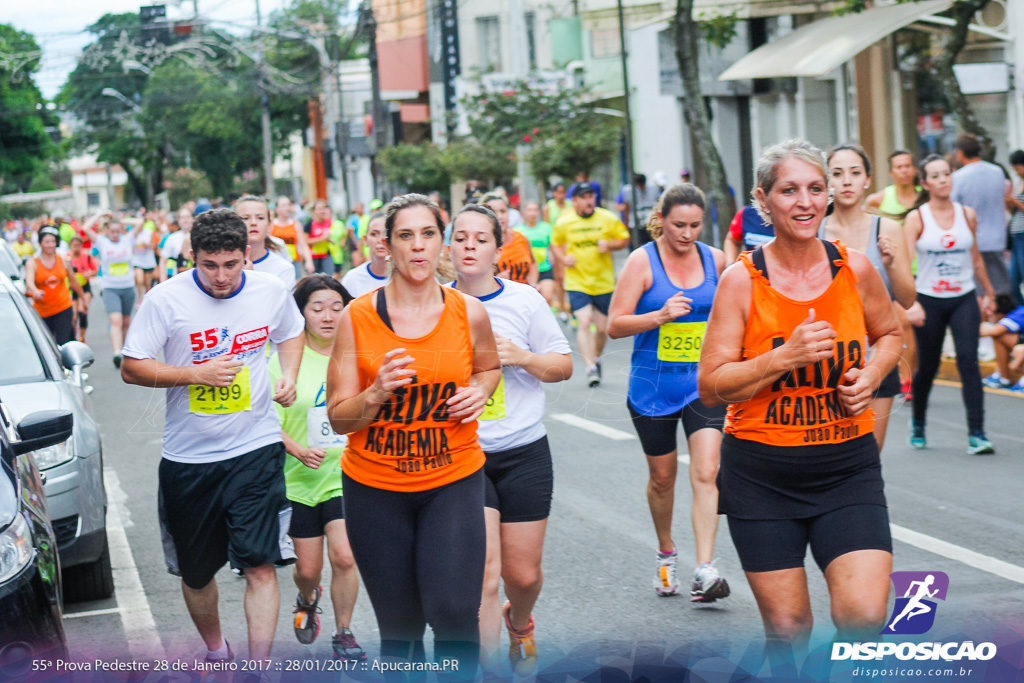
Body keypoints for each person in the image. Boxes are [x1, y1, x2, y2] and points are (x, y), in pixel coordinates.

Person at [698, 139, 902, 672]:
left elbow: (890, 334)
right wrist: (782, 358)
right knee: (789, 630)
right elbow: (712, 385)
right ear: (763, 200)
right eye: (789, 191)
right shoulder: (742, 281)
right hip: (762, 477)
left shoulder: (854, 269)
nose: (805, 201)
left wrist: (873, 376)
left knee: (863, 615)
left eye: (816, 188)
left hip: (847, 468)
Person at [120, 208, 305, 668]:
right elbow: (131, 366)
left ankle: (257, 670)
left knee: (260, 564)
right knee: (197, 573)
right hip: (190, 458)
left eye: (231, 264)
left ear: (247, 254)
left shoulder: (270, 289)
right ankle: (218, 652)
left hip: (256, 447)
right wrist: (194, 373)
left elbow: (292, 331)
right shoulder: (165, 301)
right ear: (191, 257)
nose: (221, 277)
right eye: (209, 265)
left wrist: (291, 375)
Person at [326, 194, 500, 677]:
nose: (418, 247)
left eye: (428, 235)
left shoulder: (469, 313)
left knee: (453, 614)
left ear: (441, 243)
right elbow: (340, 417)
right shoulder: (356, 319)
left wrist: (480, 391)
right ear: (386, 245)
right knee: (400, 629)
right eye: (406, 235)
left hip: (453, 480)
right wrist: (377, 392)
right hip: (375, 490)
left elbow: (488, 368)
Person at [448, 204, 572, 675]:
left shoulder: (524, 301)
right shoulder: (438, 304)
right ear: (449, 247)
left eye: (481, 239)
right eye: (461, 238)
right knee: (484, 575)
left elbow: (562, 366)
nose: (470, 246)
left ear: (499, 249)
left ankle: (519, 620)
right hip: (463, 454)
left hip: (523, 452)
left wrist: (520, 356)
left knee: (523, 576)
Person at [607, 184, 730, 604]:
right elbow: (615, 324)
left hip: (703, 386)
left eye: (695, 225)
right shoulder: (643, 261)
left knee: (707, 471)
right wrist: (658, 315)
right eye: (679, 225)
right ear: (661, 219)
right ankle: (666, 551)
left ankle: (705, 568)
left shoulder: (715, 260)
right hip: (652, 389)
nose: (687, 234)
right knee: (663, 479)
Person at [267, 274, 366, 660]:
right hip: (298, 480)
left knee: (344, 556)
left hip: (347, 475)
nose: (328, 316)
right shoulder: (284, 361)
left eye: (337, 307)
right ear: (301, 313)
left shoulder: (358, 357)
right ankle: (308, 598)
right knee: (307, 570)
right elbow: (263, 422)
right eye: (317, 307)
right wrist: (295, 449)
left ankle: (344, 632)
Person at [821, 145, 916, 449]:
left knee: (868, 458)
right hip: (824, 359)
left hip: (876, 357)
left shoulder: (886, 229)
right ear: (827, 182)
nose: (846, 181)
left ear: (867, 180)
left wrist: (890, 265)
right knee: (827, 455)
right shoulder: (814, 230)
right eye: (837, 173)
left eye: (855, 173)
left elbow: (908, 298)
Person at [905, 154, 997, 455]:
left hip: (963, 297)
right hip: (929, 298)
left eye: (946, 174)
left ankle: (977, 433)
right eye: (936, 175)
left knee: (968, 360)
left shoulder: (967, 214)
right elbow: (905, 265)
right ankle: (918, 421)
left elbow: (976, 257)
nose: (943, 179)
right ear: (925, 183)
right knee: (928, 365)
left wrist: (989, 293)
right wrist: (909, 303)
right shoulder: (917, 218)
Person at [550, 182, 630, 387]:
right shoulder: (565, 221)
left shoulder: (607, 218)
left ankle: (596, 357)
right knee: (584, 321)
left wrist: (611, 245)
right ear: (574, 201)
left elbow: (624, 239)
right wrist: (562, 258)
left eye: (591, 196)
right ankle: (590, 367)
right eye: (584, 197)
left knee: (602, 329)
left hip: (603, 282)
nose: (589, 201)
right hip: (577, 281)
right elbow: (555, 242)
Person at [81, 212, 141, 367]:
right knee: (116, 320)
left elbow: (140, 222)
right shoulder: (102, 242)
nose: (114, 234)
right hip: (110, 287)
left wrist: (121, 219)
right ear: (107, 231)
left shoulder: (128, 240)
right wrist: (100, 214)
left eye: (117, 230)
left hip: (127, 286)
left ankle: (126, 351)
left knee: (126, 322)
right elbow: (85, 228)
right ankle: (116, 352)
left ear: (121, 230)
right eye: (111, 231)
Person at [24, 225, 84, 345]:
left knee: (64, 342)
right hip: (42, 311)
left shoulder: (63, 261)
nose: (50, 245)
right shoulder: (33, 263)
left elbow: (74, 281)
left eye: (52, 241)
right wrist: (35, 290)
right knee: (46, 344)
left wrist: (83, 299)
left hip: (63, 307)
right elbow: (29, 281)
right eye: (46, 241)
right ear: (41, 243)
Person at [236, 196, 296, 291]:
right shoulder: (222, 266)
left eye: (260, 218)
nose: (253, 223)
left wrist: (250, 278)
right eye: (246, 218)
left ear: (269, 224)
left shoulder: (283, 269)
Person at [483, 193, 538, 286]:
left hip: (523, 295)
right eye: (494, 213)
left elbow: (533, 263)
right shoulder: (482, 244)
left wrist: (533, 283)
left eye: (503, 211)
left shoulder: (521, 237)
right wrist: (496, 280)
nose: (500, 216)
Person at [517, 201, 558, 308]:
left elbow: (553, 246)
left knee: (547, 297)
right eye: (529, 210)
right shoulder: (517, 231)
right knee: (529, 301)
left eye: (535, 210)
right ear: (523, 212)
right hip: (526, 272)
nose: (532, 213)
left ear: (539, 213)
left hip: (545, 268)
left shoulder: (546, 228)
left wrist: (553, 256)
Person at [341, 211, 388, 298]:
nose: (380, 240)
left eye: (386, 234)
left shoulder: (405, 278)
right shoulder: (352, 279)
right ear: (365, 240)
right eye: (374, 234)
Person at [867, 150, 922, 219]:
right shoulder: (877, 200)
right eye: (899, 167)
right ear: (890, 172)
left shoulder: (925, 195)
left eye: (907, 166)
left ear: (915, 169)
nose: (904, 171)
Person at [272, 196, 315, 278]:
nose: (287, 208)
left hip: (294, 262)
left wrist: (309, 261)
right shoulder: (272, 225)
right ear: (277, 209)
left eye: (288, 205)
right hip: (277, 262)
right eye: (284, 206)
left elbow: (303, 245)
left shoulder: (296, 224)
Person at [68, 236, 98, 343]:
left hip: (84, 288)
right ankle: (73, 337)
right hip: (71, 289)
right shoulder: (66, 258)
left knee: (82, 312)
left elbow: (95, 270)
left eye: (78, 246)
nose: (76, 248)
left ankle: (82, 337)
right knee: (73, 315)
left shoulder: (87, 257)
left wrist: (88, 273)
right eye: (74, 246)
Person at [616, 173, 662, 240]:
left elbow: (658, 203)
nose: (641, 187)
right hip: (635, 222)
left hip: (650, 220)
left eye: (643, 185)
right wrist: (626, 224)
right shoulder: (628, 190)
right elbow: (626, 208)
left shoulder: (654, 188)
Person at [159, 207, 196, 281]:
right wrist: (162, 281)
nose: (185, 220)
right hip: (178, 277)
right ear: (178, 221)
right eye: (182, 218)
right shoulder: (172, 238)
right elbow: (163, 261)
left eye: (188, 217)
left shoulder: (200, 236)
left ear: (192, 219)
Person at [131, 211, 159, 301]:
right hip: (137, 261)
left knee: (147, 283)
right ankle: (140, 298)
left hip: (148, 261)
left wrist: (147, 245)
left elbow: (154, 245)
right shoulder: (132, 234)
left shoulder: (149, 232)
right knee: (139, 280)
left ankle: (148, 300)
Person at [305, 200, 335, 275]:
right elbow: (305, 241)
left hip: (326, 255)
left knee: (329, 278)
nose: (322, 211)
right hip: (314, 257)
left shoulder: (330, 222)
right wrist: (322, 238)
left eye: (323, 208)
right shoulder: (309, 224)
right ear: (314, 211)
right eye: (319, 209)